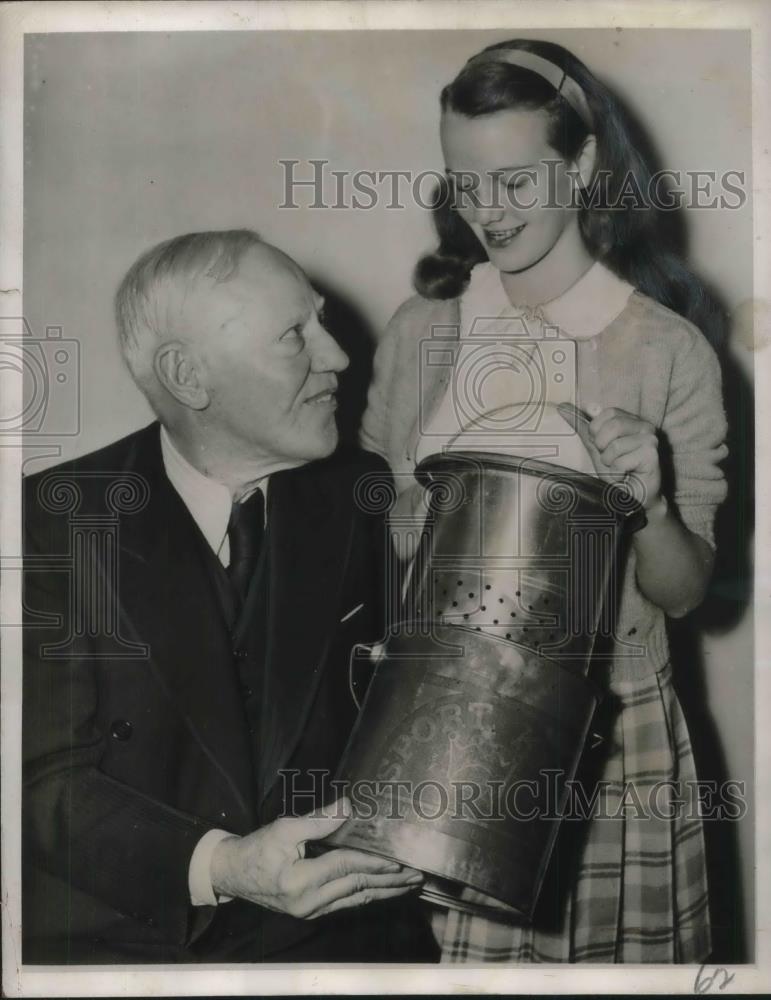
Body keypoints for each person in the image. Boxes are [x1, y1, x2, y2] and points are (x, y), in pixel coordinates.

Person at [361, 39, 728, 963]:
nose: (488, 211)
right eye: (465, 183)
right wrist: (415, 509)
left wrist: (651, 506)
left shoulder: (666, 350)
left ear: (584, 164)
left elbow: (684, 595)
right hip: (428, 727)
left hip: (611, 738)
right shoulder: (419, 334)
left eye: (517, 182)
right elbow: (369, 530)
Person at [22, 229, 438, 964]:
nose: (338, 357)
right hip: (131, 954)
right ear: (188, 376)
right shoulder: (46, 524)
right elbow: (35, 783)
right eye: (294, 336)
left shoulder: (363, 498)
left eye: (322, 322)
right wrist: (220, 867)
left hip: (342, 947)